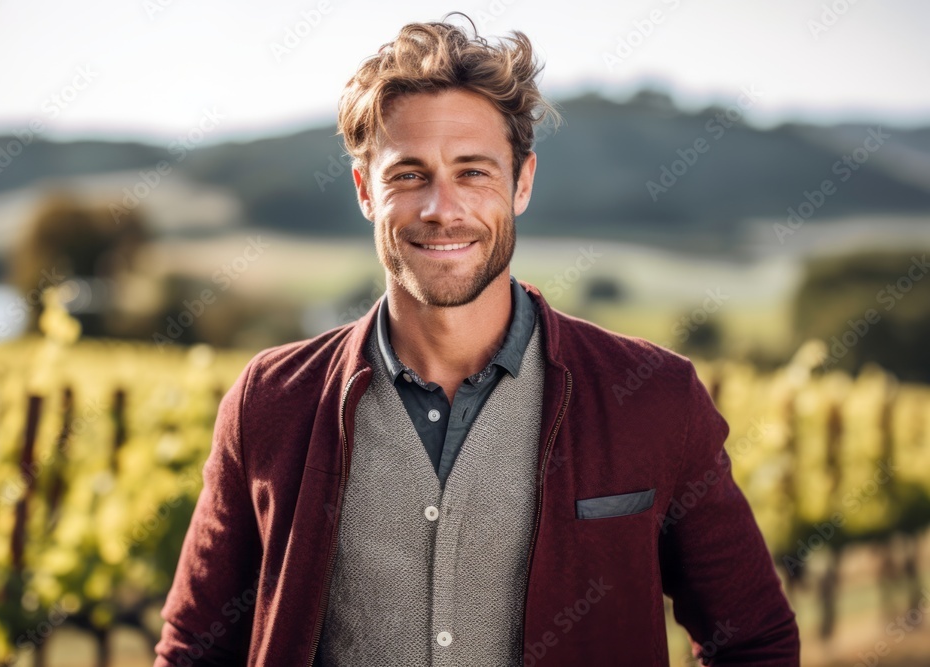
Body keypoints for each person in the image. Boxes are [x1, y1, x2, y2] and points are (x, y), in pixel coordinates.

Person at [154, 14, 799, 666]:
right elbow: (193, 649)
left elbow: (754, 641)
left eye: (473, 172)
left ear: (521, 183)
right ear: (363, 191)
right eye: (409, 174)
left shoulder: (653, 399)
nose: (442, 208)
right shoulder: (270, 403)